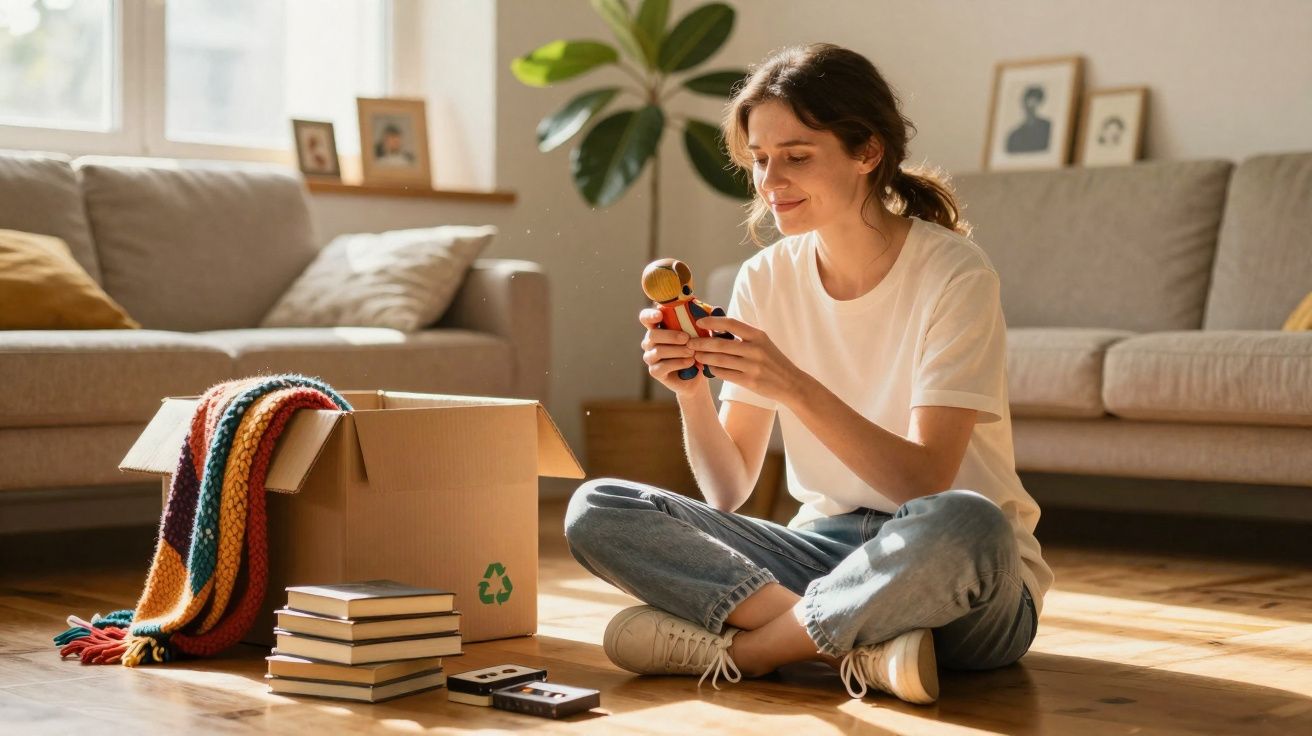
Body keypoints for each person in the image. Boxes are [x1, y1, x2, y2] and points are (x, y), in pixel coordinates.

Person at [564, 42, 1052, 705]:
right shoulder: (765, 276)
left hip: (954, 572)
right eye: (760, 161)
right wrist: (692, 397)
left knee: (968, 522)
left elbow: (924, 483)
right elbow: (728, 488)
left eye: (796, 157)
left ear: (867, 153)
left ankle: (753, 651)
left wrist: (791, 383)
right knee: (596, 507)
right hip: (823, 552)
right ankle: (859, 646)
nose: (770, 183)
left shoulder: (954, 273)